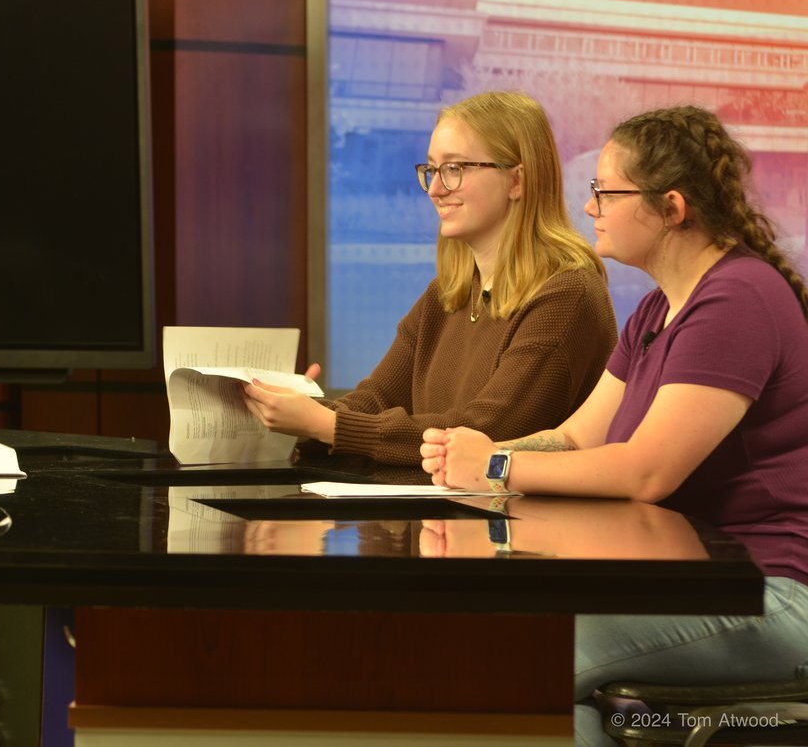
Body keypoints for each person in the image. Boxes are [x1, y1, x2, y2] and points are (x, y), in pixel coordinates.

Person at [420, 105, 808, 746]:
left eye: (606, 191)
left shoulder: (737, 299)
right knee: (539, 690)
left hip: (770, 593)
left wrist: (494, 466)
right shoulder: (656, 307)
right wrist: (474, 455)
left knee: (512, 660)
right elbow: (579, 435)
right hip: (697, 579)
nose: (591, 206)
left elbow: (646, 471)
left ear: (672, 208)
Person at [242, 90, 617, 465]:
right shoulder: (446, 293)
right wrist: (301, 413)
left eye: (455, 169)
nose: (436, 189)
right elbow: (376, 399)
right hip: (441, 517)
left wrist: (326, 424)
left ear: (516, 181)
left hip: (521, 522)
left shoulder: (569, 294)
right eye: (432, 170)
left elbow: (487, 432)